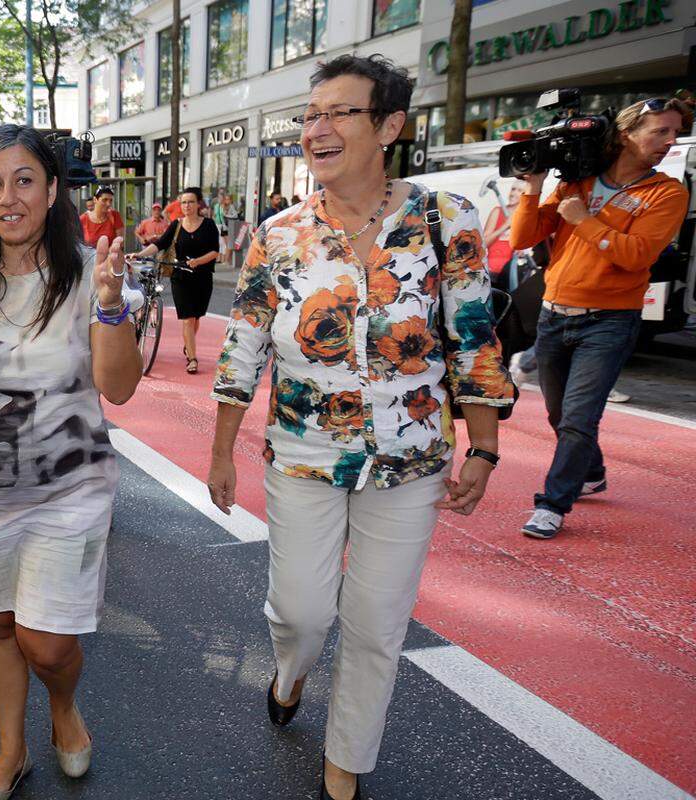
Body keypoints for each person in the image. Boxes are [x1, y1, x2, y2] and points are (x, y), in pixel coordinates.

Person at [207, 54, 515, 800]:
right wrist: (221, 450)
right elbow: (244, 341)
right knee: (302, 614)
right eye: (310, 115)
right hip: (305, 456)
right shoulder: (279, 234)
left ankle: (346, 763)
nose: (317, 128)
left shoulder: (448, 221)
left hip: (411, 463)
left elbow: (472, 336)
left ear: (390, 127)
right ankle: (291, 670)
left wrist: (485, 447)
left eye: (340, 113)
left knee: (377, 626)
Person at [0, 123, 142, 800]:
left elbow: (119, 387)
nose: (9, 196)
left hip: (70, 480)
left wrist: (108, 306)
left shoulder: (86, 274)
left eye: (23, 180)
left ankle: (64, 707)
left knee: (47, 642)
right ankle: (11, 751)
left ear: (51, 190)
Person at [509, 97, 690, 540]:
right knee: (559, 414)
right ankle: (591, 471)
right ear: (627, 133)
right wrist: (533, 190)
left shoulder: (667, 192)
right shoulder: (578, 180)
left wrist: (585, 221)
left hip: (610, 322)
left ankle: (553, 504)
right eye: (660, 131)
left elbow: (636, 256)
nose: (670, 141)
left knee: (578, 418)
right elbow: (522, 237)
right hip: (554, 315)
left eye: (674, 133)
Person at [134, 189, 220, 374]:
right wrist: (139, 254)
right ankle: (192, 358)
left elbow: (215, 251)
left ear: (198, 204)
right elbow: (160, 244)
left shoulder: (209, 225)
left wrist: (198, 261)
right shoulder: (176, 225)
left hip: (202, 277)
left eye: (190, 202)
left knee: (196, 317)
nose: (186, 206)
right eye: (183, 202)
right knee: (188, 319)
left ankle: (189, 344)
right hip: (180, 277)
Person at [482, 182, 524, 292]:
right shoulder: (498, 211)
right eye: (513, 189)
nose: (513, 193)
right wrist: (504, 227)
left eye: (519, 191)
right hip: (491, 272)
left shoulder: (526, 217)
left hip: (513, 273)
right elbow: (484, 243)